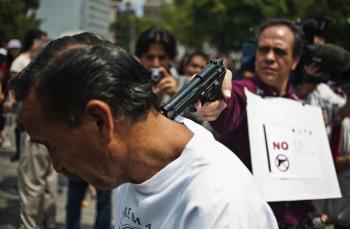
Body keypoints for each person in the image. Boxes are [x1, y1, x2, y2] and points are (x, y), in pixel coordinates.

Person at [10, 32, 278, 228]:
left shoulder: (221, 209)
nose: (56, 167)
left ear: (101, 121)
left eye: (52, 145)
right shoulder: (129, 169)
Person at [196, 18, 324, 228]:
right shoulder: (242, 93)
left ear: (295, 60)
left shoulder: (301, 109)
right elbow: (228, 106)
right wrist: (216, 91)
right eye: (263, 49)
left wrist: (310, 213)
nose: (269, 58)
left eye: (280, 51)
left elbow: (302, 175)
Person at [10, 29, 57, 229]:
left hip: (41, 132)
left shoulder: (45, 64)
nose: (45, 43)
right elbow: (15, 95)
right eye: (42, 40)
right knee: (39, 184)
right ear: (33, 42)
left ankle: (39, 224)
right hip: (38, 129)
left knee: (43, 185)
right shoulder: (23, 63)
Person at [134, 26, 182, 102]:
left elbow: (198, 112)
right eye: (150, 57)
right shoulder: (130, 87)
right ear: (140, 58)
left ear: (171, 59)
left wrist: (177, 96)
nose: (156, 64)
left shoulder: (184, 84)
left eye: (162, 58)